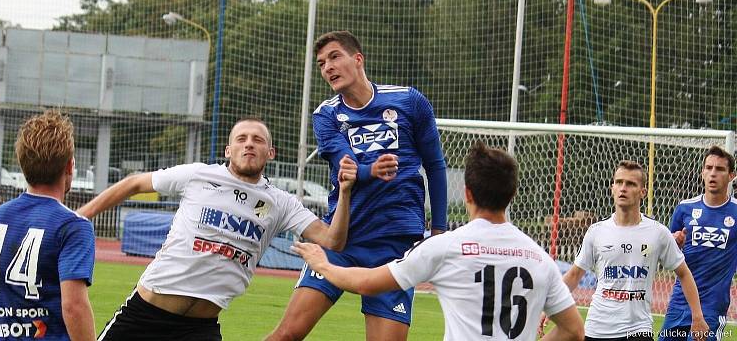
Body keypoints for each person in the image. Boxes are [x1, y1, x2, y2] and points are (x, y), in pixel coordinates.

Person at [78, 117, 356, 341]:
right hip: (145, 316)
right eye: (241, 139)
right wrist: (80, 216)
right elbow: (134, 182)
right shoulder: (199, 175)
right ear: (228, 150)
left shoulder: (281, 203)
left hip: (200, 329)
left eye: (258, 140)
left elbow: (333, 240)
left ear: (270, 153)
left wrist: (345, 193)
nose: (249, 144)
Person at [293, 142, 585, 341]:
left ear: (467, 194)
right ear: (512, 194)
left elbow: (367, 283)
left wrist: (323, 263)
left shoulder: (447, 247)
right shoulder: (539, 257)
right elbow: (573, 331)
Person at [268, 30, 448, 341]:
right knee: (287, 335)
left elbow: (435, 166)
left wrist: (440, 231)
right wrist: (370, 171)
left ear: (358, 59)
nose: (328, 68)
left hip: (395, 245)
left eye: (335, 57)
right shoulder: (326, 115)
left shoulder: (409, 101)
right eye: (322, 63)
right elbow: (345, 167)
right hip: (341, 240)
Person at [0, 110, 96, 341]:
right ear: (69, 166)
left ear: (23, 164)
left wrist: (13, 311)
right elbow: (74, 306)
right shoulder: (73, 226)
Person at [554, 161, 708, 340]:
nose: (623, 188)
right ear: (612, 188)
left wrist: (697, 316)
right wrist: (550, 307)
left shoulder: (658, 232)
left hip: (638, 330)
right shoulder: (596, 231)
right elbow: (574, 275)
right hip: (597, 329)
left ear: (642, 192)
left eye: (630, 184)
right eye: (619, 182)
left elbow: (684, 273)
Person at [659, 146, 737, 341]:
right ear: (702, 172)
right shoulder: (684, 208)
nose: (713, 173)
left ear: (731, 176)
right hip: (679, 303)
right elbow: (666, 260)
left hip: (712, 307)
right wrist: (675, 243)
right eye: (708, 167)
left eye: (719, 169)